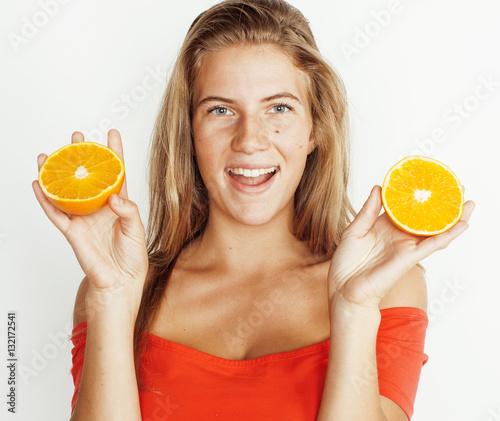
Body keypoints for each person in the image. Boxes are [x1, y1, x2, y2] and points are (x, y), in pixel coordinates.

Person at [32, 0, 474, 419]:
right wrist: (110, 299)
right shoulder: (118, 288)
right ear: (189, 133)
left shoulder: (385, 285)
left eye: (279, 107)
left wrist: (354, 308)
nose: (250, 140)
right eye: (221, 110)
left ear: (315, 129)